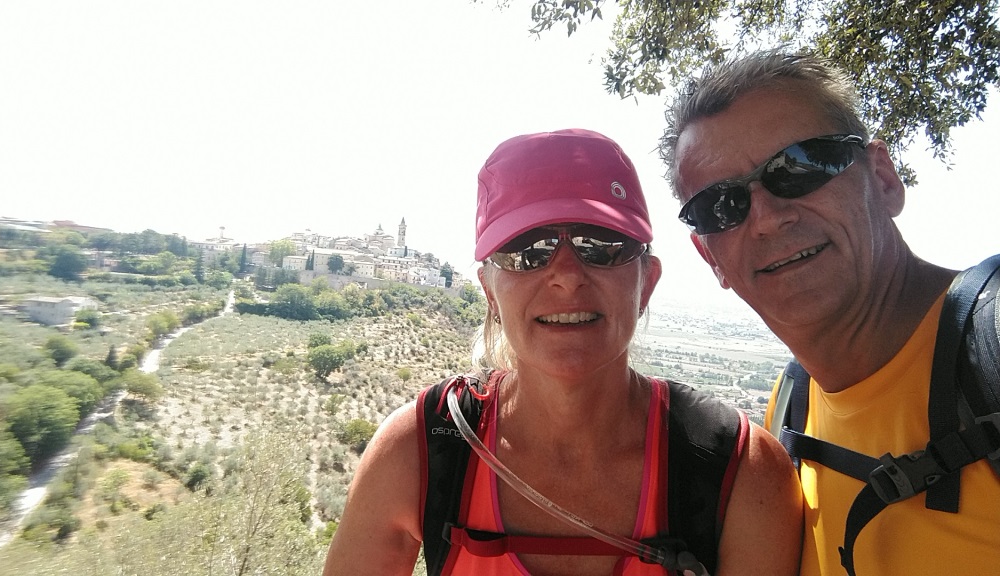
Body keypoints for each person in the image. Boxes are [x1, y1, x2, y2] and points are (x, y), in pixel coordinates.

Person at [322, 128, 801, 576]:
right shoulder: (419, 451)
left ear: (647, 282)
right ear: (490, 292)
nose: (567, 275)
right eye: (528, 250)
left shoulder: (742, 473)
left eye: (602, 245)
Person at [660, 48, 1000, 576]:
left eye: (799, 166)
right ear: (711, 259)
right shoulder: (791, 407)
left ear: (883, 179)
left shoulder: (990, 345)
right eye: (719, 206)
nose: (767, 218)